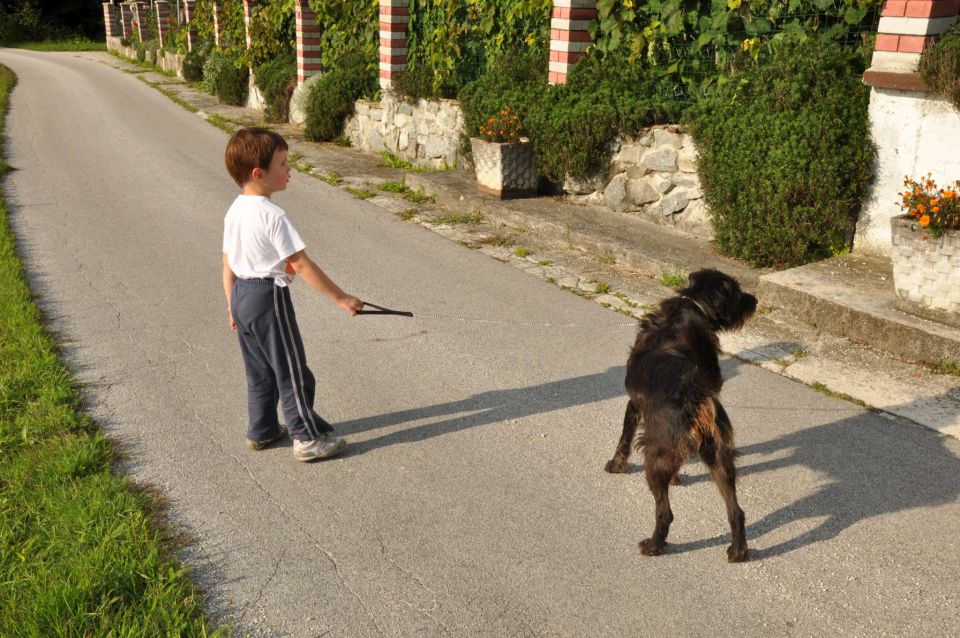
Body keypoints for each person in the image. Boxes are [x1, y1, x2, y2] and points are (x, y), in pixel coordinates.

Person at [221, 127, 362, 462]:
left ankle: (263, 429)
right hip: (268, 299)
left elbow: (227, 264)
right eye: (283, 164)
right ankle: (306, 438)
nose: (289, 170)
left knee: (260, 371)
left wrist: (231, 305)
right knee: (292, 370)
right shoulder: (273, 216)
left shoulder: (235, 210)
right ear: (260, 174)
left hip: (241, 295)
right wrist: (342, 298)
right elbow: (301, 264)